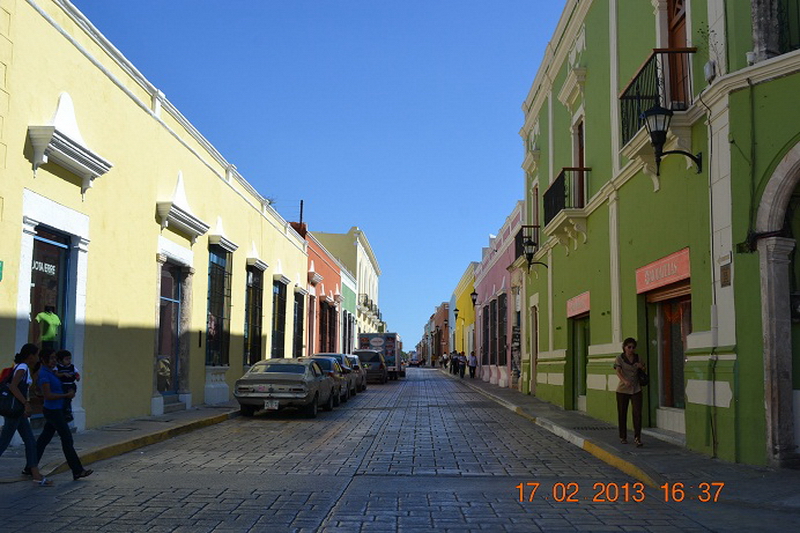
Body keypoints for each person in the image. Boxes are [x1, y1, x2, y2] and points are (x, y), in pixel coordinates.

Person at [35, 349, 93, 480]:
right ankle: (77, 470)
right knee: (67, 438)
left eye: (55, 358)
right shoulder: (44, 374)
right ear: (43, 360)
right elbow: (47, 395)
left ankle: (30, 466)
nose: (54, 361)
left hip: (57, 408)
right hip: (53, 410)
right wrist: (66, 395)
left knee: (44, 438)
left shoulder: (53, 372)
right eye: (51, 358)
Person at [0, 343, 52, 486]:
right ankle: (36, 475)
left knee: (30, 441)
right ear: (30, 356)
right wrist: (26, 403)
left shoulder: (23, 368)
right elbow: (13, 386)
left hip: (18, 412)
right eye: (36, 355)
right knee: (3, 442)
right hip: (16, 411)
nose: (37, 358)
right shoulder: (22, 367)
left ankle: (36, 475)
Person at [614, 337, 645, 447]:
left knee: (637, 413)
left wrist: (641, 367)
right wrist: (624, 381)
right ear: (624, 348)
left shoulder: (638, 357)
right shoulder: (620, 358)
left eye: (633, 347)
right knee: (622, 413)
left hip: (636, 389)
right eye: (629, 347)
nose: (631, 349)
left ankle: (637, 437)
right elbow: (617, 371)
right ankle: (623, 436)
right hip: (623, 389)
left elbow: (644, 369)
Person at [55, 350, 80, 422]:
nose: (68, 361)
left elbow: (76, 373)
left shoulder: (72, 367)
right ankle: (66, 412)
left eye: (69, 359)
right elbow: (56, 374)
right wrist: (63, 374)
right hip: (63, 385)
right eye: (66, 359)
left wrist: (77, 377)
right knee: (65, 399)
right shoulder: (58, 367)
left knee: (68, 398)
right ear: (60, 360)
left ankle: (68, 412)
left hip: (71, 384)